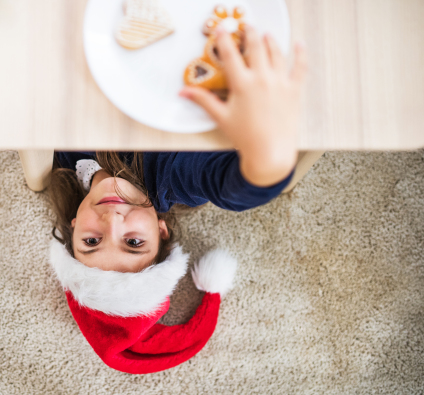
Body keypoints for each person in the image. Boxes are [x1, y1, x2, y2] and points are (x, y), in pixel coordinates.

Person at [46, 25, 307, 375]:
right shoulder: (171, 178)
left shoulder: (64, 161)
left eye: (92, 241)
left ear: (73, 228)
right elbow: (231, 189)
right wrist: (267, 164)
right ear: (161, 230)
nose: (112, 221)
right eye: (134, 242)